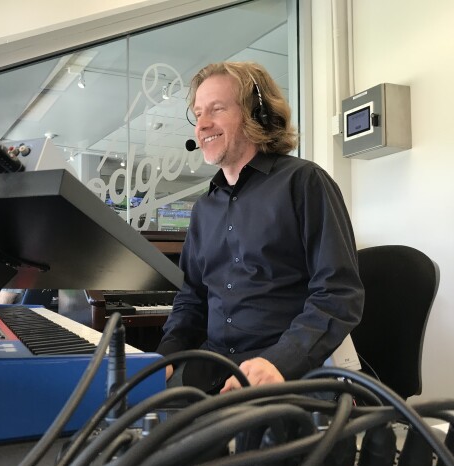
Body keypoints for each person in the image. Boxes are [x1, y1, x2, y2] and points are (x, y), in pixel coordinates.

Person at [156, 61, 364, 394]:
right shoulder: (204, 209)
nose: (202, 125)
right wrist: (165, 356)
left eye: (217, 109)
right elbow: (191, 298)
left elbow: (338, 294)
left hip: (283, 371)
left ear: (258, 115)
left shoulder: (304, 183)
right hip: (213, 369)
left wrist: (280, 362)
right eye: (197, 114)